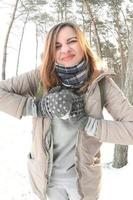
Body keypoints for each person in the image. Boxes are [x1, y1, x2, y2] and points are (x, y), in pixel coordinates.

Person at [0, 21, 133, 200]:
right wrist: (38, 107)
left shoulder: (101, 83)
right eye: (57, 45)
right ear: (50, 51)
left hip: (84, 183)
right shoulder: (40, 77)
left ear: (83, 43)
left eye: (71, 41)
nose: (65, 50)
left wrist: (88, 123)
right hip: (47, 181)